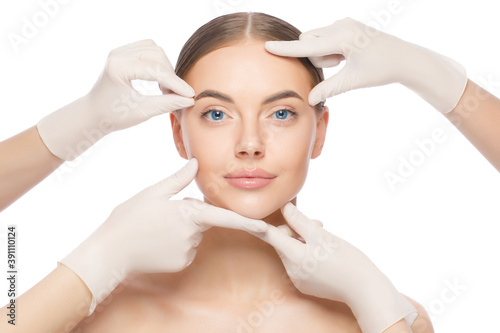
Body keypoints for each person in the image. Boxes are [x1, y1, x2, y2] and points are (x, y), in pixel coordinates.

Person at [1, 10, 497, 332]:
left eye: (281, 113)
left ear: (319, 131)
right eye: (216, 114)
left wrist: (375, 305)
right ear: (178, 132)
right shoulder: (92, 311)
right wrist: (95, 261)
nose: (250, 145)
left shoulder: (382, 313)